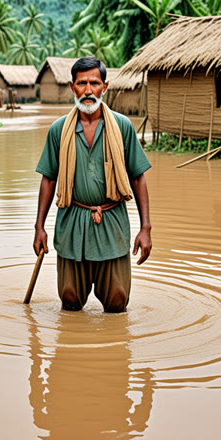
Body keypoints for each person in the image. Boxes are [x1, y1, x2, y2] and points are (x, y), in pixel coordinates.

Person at [33, 56, 152, 313]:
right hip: (71, 224)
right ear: (72, 87)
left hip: (112, 224)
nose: (88, 91)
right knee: (70, 302)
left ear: (105, 87)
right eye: (82, 84)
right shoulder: (58, 130)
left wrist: (146, 228)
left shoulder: (122, 127)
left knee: (118, 304)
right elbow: (49, 179)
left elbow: (138, 177)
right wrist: (39, 227)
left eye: (94, 83)